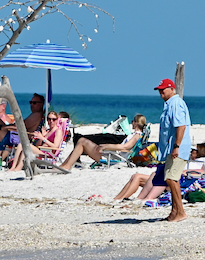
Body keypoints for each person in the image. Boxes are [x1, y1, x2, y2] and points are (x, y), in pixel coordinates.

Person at [153, 78, 191, 222]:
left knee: (171, 178)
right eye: (159, 90)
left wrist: (176, 147)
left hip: (177, 148)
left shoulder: (176, 103)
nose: (161, 92)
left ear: (172, 89)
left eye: (163, 89)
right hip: (170, 148)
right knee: (170, 178)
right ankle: (174, 211)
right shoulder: (169, 105)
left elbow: (181, 126)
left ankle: (181, 212)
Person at [60, 114, 149, 168]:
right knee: (81, 141)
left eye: (133, 121)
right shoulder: (137, 135)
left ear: (136, 123)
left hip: (114, 157)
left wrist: (106, 146)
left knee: (82, 141)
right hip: (113, 155)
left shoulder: (137, 135)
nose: (132, 123)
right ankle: (64, 165)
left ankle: (66, 166)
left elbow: (125, 147)